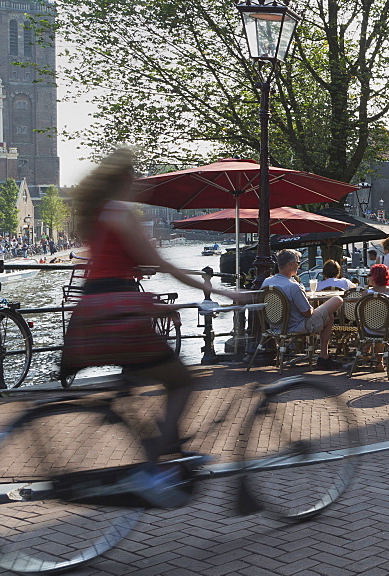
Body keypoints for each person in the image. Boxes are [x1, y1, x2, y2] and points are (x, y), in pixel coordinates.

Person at [66, 148, 244, 507]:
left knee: (141, 384)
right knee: (181, 381)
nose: (137, 182)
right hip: (120, 314)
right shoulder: (120, 211)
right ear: (122, 180)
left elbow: (118, 261)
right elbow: (160, 263)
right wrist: (220, 290)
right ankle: (151, 472)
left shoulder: (97, 215)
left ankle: (170, 453)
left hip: (91, 312)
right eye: (133, 176)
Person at [261, 249, 344, 370]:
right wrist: (315, 307)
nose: (299, 266)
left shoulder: (267, 282)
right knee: (337, 299)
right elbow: (307, 313)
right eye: (298, 263)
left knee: (329, 317)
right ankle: (323, 357)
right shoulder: (293, 286)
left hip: (276, 325)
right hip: (297, 325)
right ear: (290, 264)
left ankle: (324, 356)